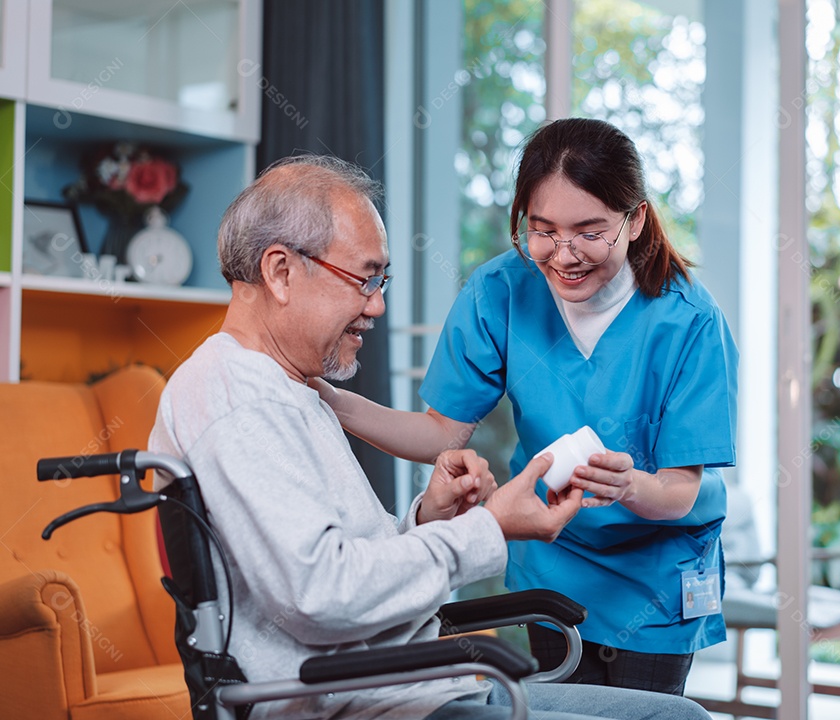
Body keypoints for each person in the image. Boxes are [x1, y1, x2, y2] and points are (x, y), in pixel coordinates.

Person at [149, 154, 711, 720]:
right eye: (365, 278)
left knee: (678, 716)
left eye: (382, 280)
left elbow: (340, 569)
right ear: (280, 271)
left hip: (413, 684)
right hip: (360, 702)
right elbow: (323, 595)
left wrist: (430, 519)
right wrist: (487, 526)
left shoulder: (295, 391)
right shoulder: (235, 397)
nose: (378, 304)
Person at [313, 118, 738, 696]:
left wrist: (627, 484)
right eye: (542, 231)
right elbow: (442, 433)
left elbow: (681, 487)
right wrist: (327, 400)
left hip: (656, 579)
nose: (564, 256)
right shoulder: (499, 292)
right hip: (555, 567)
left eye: (590, 232)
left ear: (634, 220)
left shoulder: (689, 318)